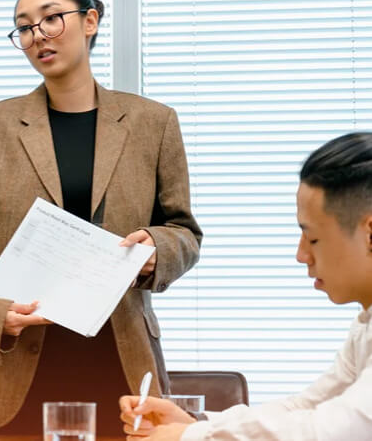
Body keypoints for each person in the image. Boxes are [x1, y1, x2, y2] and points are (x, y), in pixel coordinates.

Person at [0, 0, 203, 436]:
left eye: (51, 19)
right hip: (18, 359)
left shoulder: (153, 124)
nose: (38, 35)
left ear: (91, 21)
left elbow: (184, 231)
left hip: (121, 358)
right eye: (24, 27)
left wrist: (157, 247)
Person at [119, 132, 372, 441]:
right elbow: (306, 406)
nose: (301, 255)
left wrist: (192, 437)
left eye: (313, 238)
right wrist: (194, 422)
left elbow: (330, 430)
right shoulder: (365, 327)